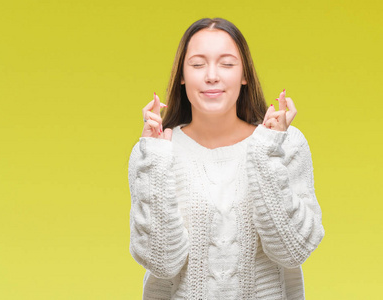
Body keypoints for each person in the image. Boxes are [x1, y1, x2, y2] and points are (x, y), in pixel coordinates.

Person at [128, 18, 325, 299]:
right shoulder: (154, 153)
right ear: (181, 75)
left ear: (245, 74)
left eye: (227, 64)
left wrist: (267, 152)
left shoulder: (285, 144)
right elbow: (161, 263)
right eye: (197, 65)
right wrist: (156, 162)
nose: (211, 75)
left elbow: (294, 251)